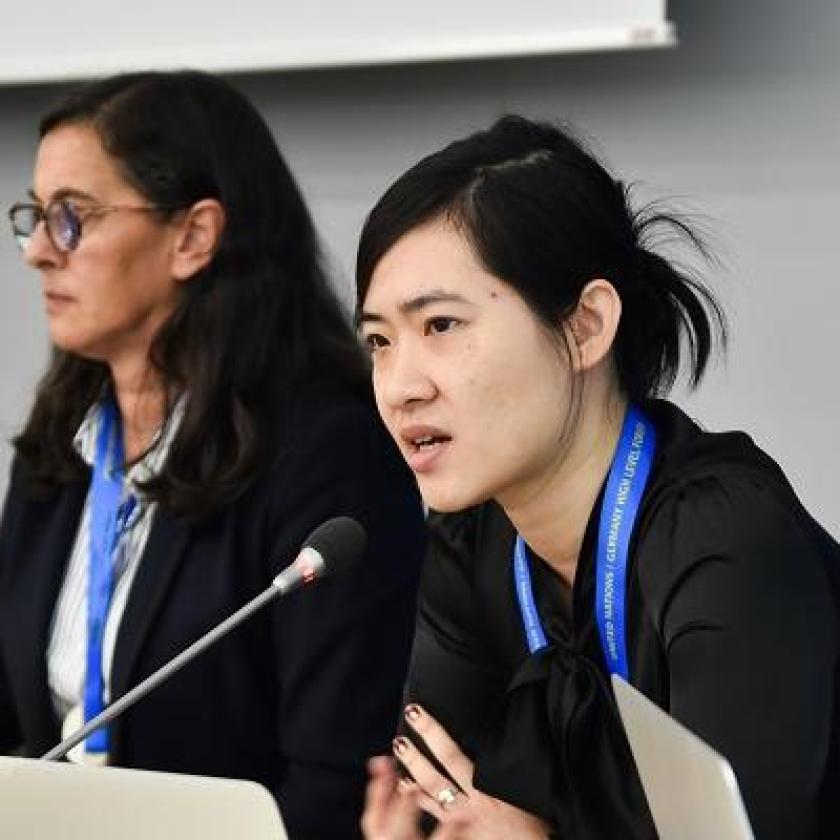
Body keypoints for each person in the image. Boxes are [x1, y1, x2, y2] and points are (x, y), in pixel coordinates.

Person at [354, 115, 840, 840]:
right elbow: (442, 806)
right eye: (379, 342)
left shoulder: (724, 540)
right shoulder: (471, 540)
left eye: (441, 327)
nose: (399, 388)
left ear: (586, 326)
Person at [0, 70, 426, 839]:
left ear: (194, 236)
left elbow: (332, 785)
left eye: (72, 218)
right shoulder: (60, 443)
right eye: (34, 215)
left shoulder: (326, 455)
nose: (36, 251)